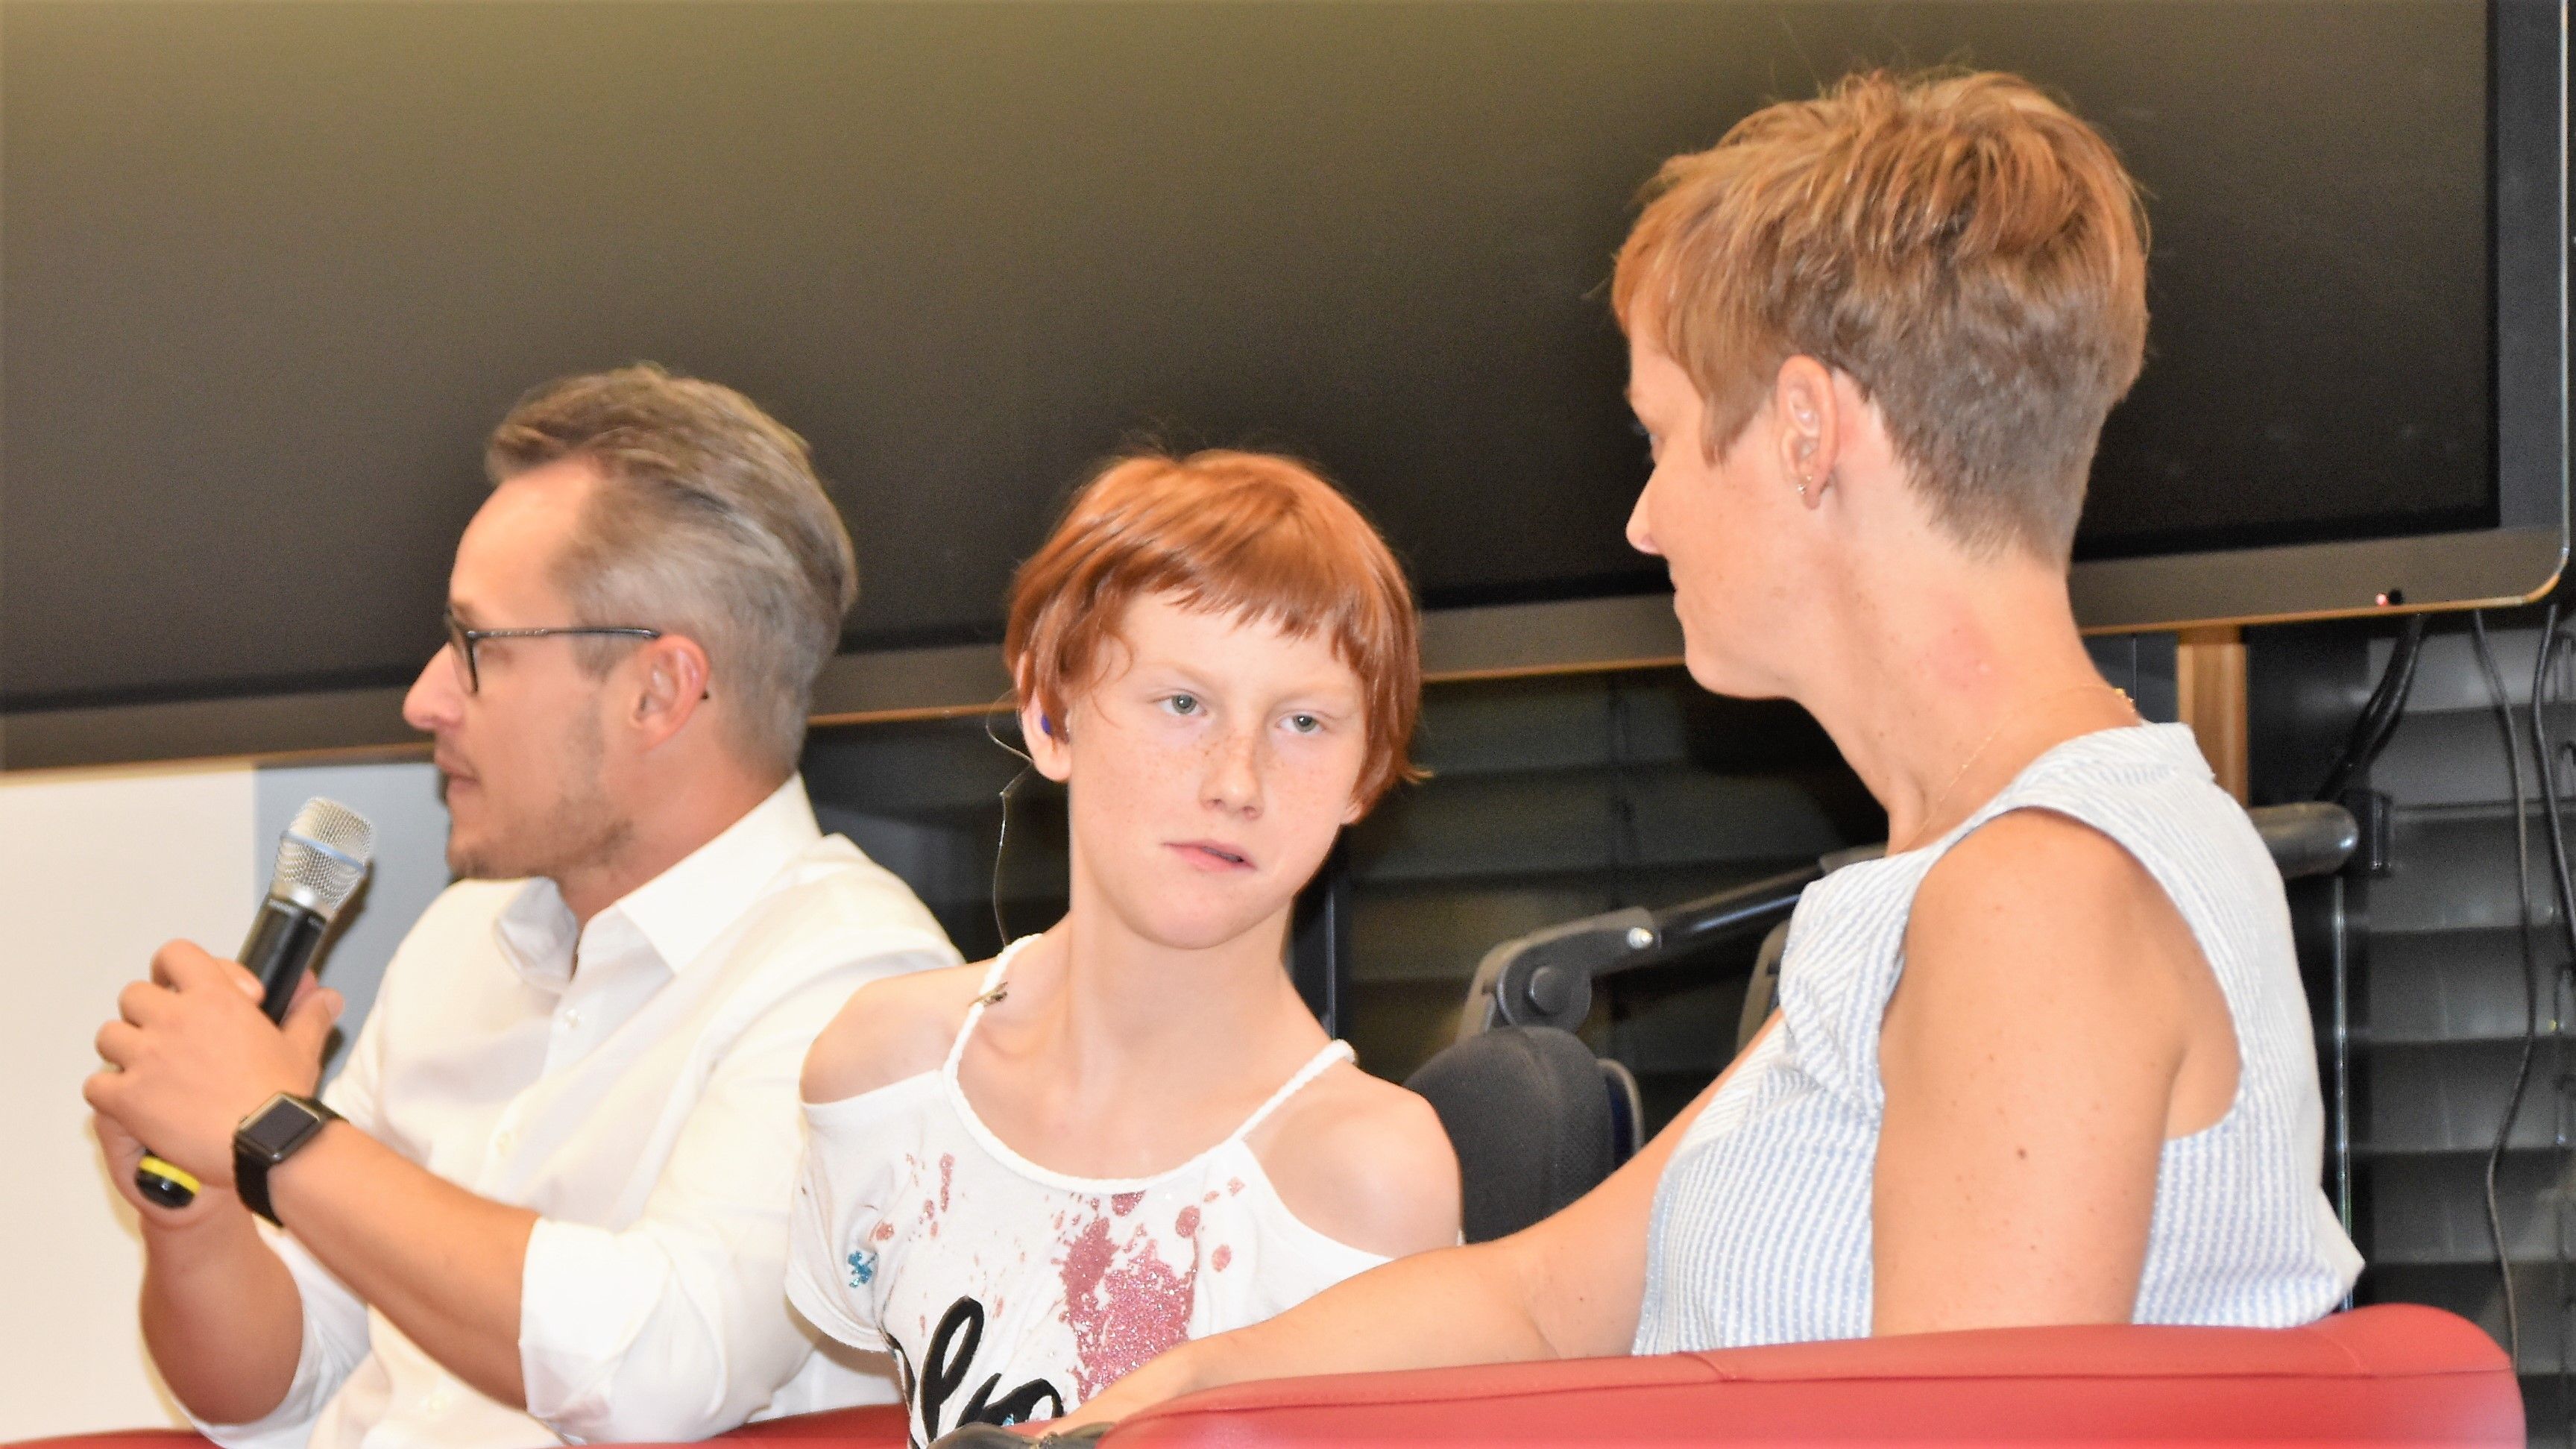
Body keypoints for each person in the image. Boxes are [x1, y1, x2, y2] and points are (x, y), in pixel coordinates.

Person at [1056, 69, 2365, 1428]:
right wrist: (1160, 1397)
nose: (1644, 519)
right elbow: (1546, 1303)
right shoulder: (1966, 882)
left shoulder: (2036, 900)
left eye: (1664, 438)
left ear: (1804, 432)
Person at [84, 365, 962, 1448]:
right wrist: (199, 1211)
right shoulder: (463, 940)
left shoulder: (858, 984)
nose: (424, 700)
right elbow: (275, 1388)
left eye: (476, 648)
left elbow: (660, 1368)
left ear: (658, 691)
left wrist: (274, 1128)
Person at [786, 450, 1461, 1444]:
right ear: (1049, 715)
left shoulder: (1362, 1178)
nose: (1237, 781)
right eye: (1183, 704)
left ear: (1366, 775)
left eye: (1304, 722)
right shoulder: (885, 1075)